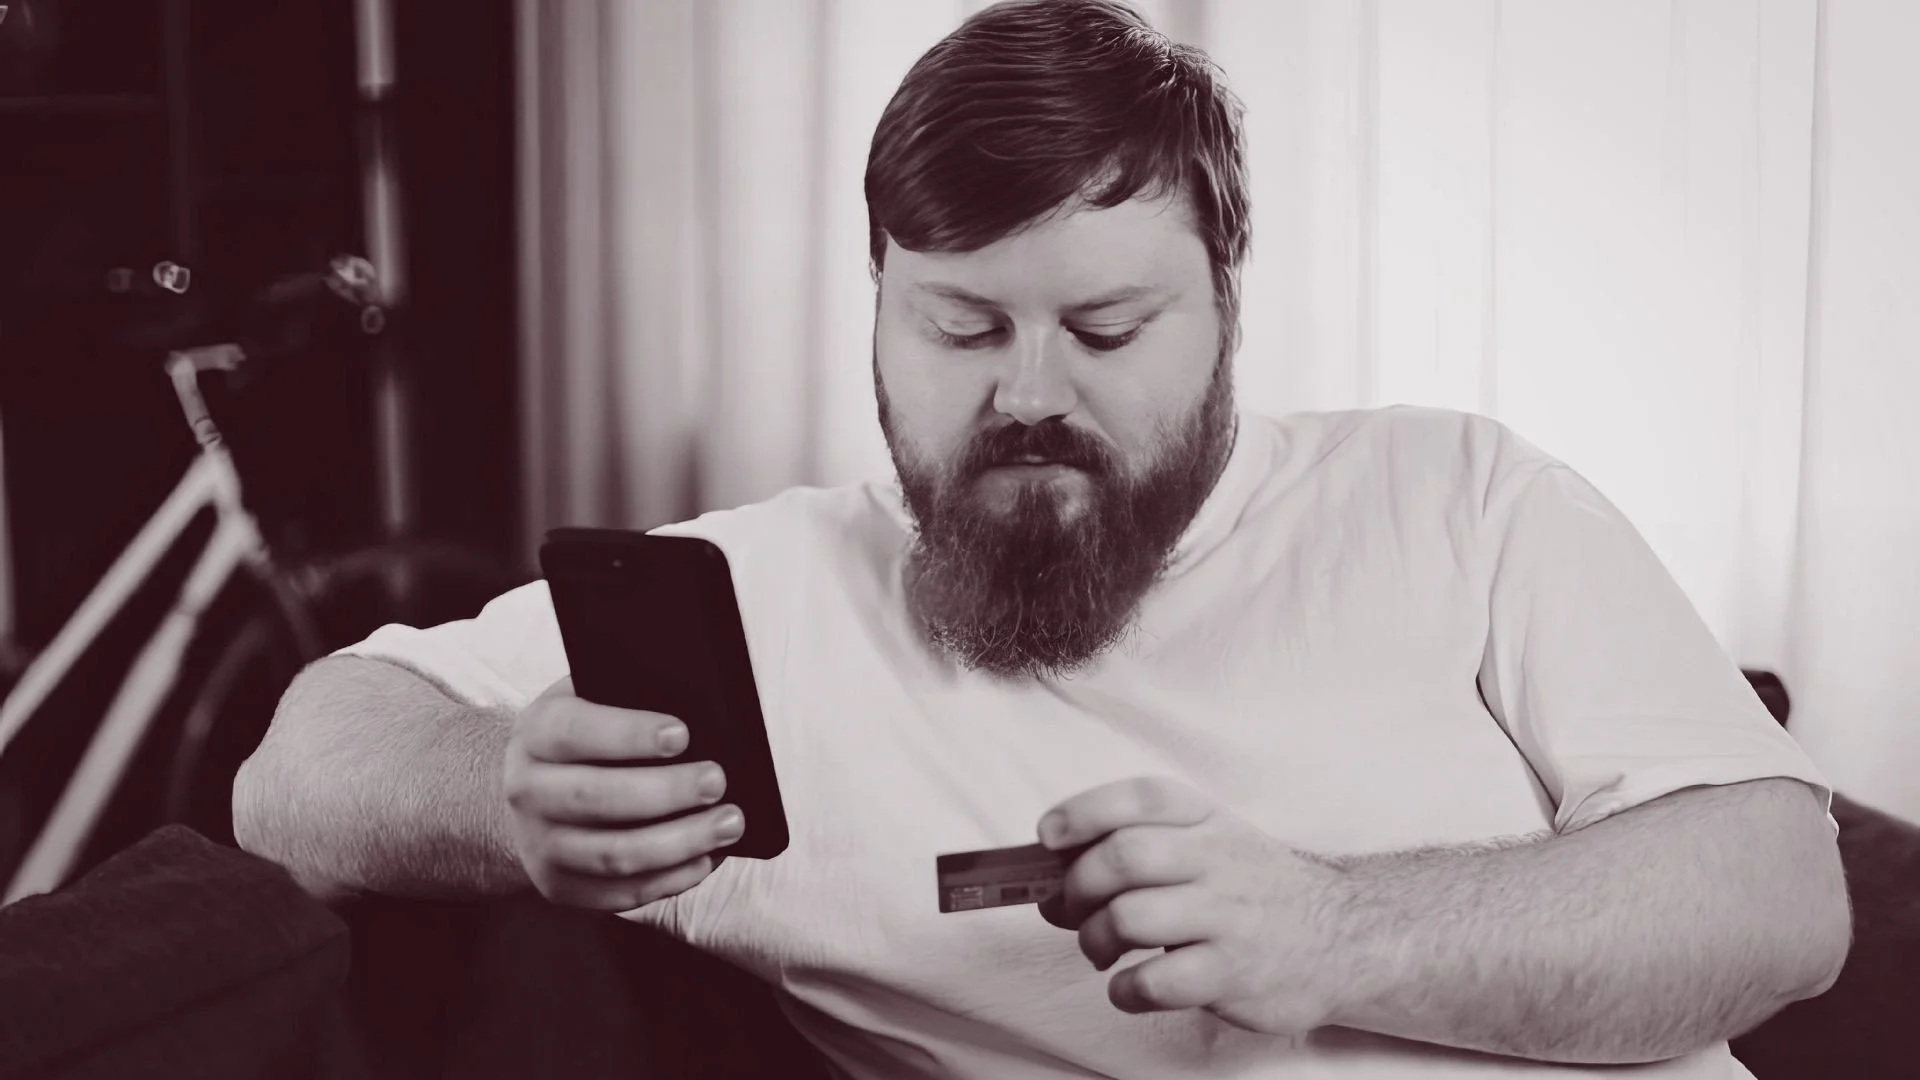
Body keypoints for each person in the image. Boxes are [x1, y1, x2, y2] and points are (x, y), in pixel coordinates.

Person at [232, 2, 1851, 1077]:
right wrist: (501, 800)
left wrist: (1333, 931)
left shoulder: (1456, 497)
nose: (1028, 394)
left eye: (1103, 324)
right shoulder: (763, 601)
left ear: (1225, 299)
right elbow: (295, 771)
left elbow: (1781, 901)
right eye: (959, 325)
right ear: (875, 308)